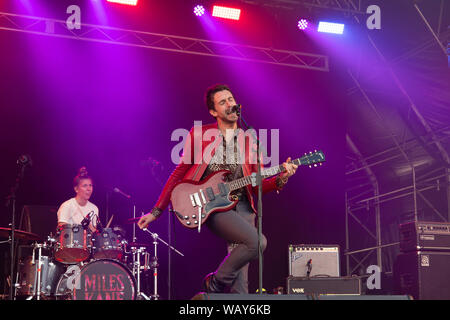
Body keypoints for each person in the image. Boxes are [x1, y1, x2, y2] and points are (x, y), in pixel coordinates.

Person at [138, 84, 298, 294]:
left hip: (242, 204)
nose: (230, 104)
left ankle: (226, 293)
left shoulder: (251, 140)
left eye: (231, 99)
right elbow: (178, 173)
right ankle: (215, 282)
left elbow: (256, 185)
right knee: (256, 241)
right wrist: (156, 210)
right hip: (213, 203)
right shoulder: (199, 134)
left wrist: (281, 179)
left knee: (243, 270)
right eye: (223, 102)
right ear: (214, 112)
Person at [57, 167, 99, 233]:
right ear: (76, 189)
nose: (89, 189)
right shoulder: (67, 205)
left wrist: (95, 231)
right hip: (71, 242)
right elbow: (61, 228)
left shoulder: (94, 208)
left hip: (87, 243)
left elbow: (94, 233)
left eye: (90, 185)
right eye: (85, 186)